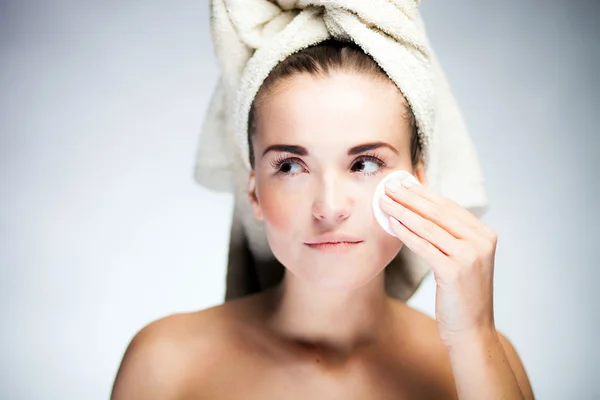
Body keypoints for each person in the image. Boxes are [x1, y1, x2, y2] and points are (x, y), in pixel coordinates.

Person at [110, 41, 534, 399]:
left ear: (419, 182)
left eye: (365, 163)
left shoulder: (485, 364)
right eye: (291, 166)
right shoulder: (165, 365)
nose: (329, 208)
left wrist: (474, 339)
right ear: (254, 190)